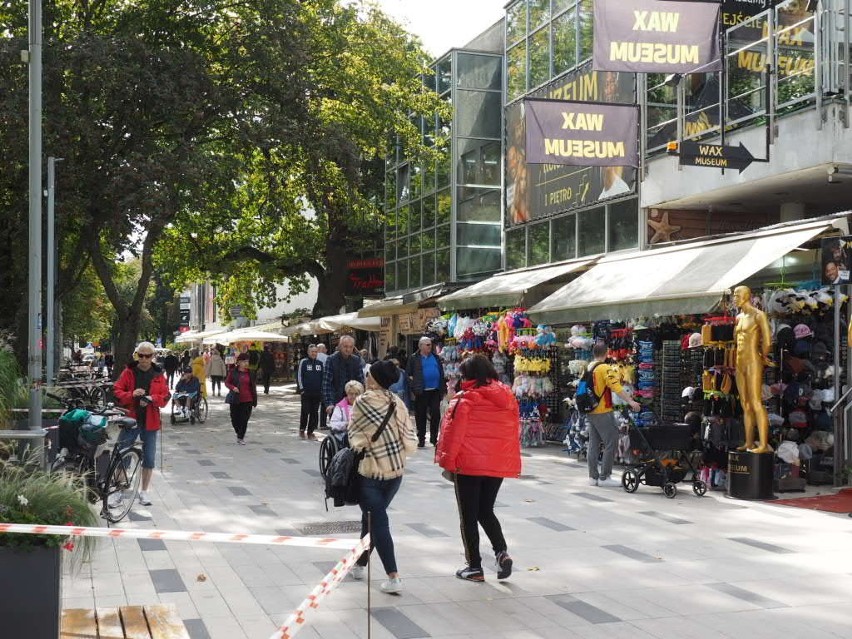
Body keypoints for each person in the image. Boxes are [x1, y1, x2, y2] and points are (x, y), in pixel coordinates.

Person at [435, 354, 521, 582]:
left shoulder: (464, 400)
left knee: (469, 516)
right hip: (496, 464)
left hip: (469, 465)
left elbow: (453, 436)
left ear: (469, 376)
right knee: (486, 510)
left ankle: (474, 566)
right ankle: (501, 553)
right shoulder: (507, 395)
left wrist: (447, 462)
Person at [347, 360, 417, 594]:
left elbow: (353, 433)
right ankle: (360, 563)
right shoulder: (398, 402)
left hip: (371, 471)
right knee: (372, 520)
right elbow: (409, 435)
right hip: (395, 471)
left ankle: (393, 576)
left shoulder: (363, 402)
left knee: (378, 522)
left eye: (369, 375)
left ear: (375, 379)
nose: (366, 378)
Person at [112, 341, 170, 506]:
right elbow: (116, 391)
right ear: (137, 355)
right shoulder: (128, 372)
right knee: (122, 455)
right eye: (141, 355)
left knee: (149, 458)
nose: (144, 359)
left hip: (150, 421)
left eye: (148, 356)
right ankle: (118, 491)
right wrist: (131, 394)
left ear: (153, 357)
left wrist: (152, 399)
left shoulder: (159, 374)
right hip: (131, 419)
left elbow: (166, 397)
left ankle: (144, 492)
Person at [585, 341, 641, 487]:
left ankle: (593, 477)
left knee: (593, 444)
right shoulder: (605, 368)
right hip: (603, 410)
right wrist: (630, 401)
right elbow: (616, 387)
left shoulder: (589, 367)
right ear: (607, 352)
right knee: (612, 441)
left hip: (590, 410)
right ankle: (605, 477)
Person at [733, 285, 773, 454]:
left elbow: (768, 341)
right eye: (734, 295)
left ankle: (763, 444)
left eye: (737, 295)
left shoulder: (759, 315)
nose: (735, 298)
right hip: (739, 362)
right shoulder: (738, 317)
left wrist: (762, 357)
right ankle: (748, 443)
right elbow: (736, 340)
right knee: (745, 404)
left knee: (756, 402)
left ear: (747, 296)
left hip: (753, 362)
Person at [406, 336, 445, 448]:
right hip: (421, 391)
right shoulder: (414, 358)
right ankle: (421, 438)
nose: (430, 346)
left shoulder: (436, 357)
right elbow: (408, 375)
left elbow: (441, 372)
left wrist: (443, 387)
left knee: (435, 414)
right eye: (427, 344)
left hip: (435, 390)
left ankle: (433, 438)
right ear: (421, 346)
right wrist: (413, 387)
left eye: (430, 344)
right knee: (421, 416)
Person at [322, 335, 365, 419]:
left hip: (353, 400)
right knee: (337, 428)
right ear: (340, 346)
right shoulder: (331, 359)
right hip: (336, 400)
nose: (348, 349)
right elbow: (326, 383)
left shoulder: (356, 360)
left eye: (350, 347)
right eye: (345, 346)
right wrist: (329, 403)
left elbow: (361, 382)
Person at [225, 353, 257, 444]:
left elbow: (253, 387)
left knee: (244, 419)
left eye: (247, 361)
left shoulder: (250, 373)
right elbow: (227, 382)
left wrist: (254, 399)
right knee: (234, 419)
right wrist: (233, 388)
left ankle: (240, 437)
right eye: (244, 361)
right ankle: (238, 432)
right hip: (236, 399)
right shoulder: (233, 372)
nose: (246, 363)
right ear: (239, 362)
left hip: (248, 399)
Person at [297, 344, 324, 439]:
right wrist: (302, 389)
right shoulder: (303, 362)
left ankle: (310, 431)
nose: (314, 353)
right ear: (308, 352)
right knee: (305, 411)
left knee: (314, 412)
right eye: (312, 351)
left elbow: (323, 378)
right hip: (306, 392)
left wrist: (322, 390)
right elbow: (299, 376)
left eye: (315, 352)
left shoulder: (320, 364)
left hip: (317, 393)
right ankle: (302, 429)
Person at [316, 342, 330, 429]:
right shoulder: (327, 358)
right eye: (325, 349)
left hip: (314, 384)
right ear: (323, 349)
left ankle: (313, 424)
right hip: (324, 383)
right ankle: (322, 424)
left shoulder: (314, 357)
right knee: (324, 404)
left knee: (314, 405)